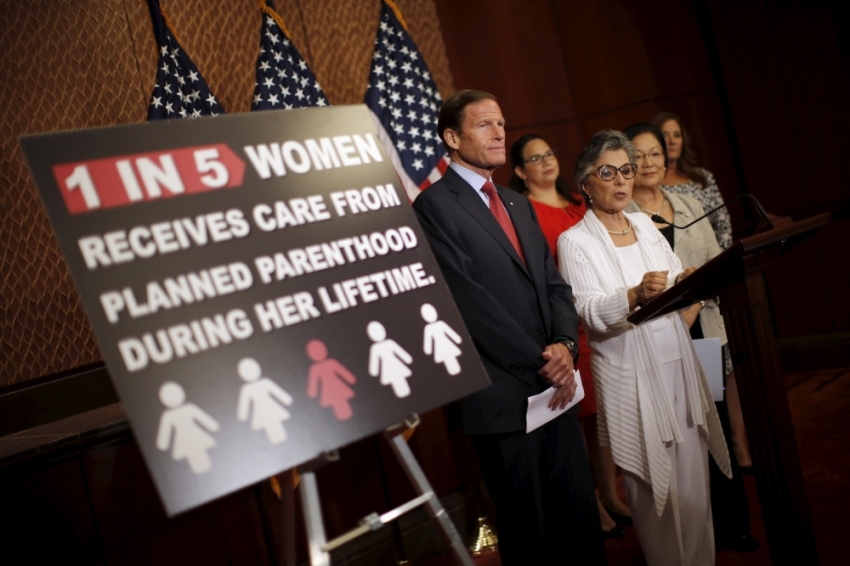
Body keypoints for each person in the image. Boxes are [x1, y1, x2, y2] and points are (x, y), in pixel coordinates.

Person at [413, 90, 605, 565]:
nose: (499, 133)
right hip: (502, 394)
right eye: (484, 125)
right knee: (531, 530)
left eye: (501, 123)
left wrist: (563, 344)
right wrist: (543, 362)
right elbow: (466, 301)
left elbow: (555, 285)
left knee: (579, 519)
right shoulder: (433, 206)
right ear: (451, 138)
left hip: (556, 389)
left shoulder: (518, 204)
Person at [557, 129, 731, 565]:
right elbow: (588, 310)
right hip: (632, 374)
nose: (620, 181)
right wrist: (634, 294)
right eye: (608, 172)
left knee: (694, 488)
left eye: (627, 171)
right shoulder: (574, 241)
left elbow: (671, 276)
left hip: (679, 364)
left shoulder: (644, 224)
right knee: (657, 489)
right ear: (585, 183)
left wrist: (686, 280)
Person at [623, 123, 759, 552]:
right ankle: (688, 532)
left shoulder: (686, 205)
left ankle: (732, 526)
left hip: (700, 334)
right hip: (656, 341)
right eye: (639, 156)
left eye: (656, 155)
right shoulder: (623, 220)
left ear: (667, 160)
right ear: (627, 164)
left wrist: (693, 308)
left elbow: (713, 265)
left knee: (712, 423)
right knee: (677, 431)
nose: (649, 163)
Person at [509, 134, 630, 538]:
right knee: (576, 415)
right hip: (564, 323)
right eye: (534, 157)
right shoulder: (524, 211)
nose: (546, 161)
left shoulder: (583, 205)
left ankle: (610, 492)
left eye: (549, 153)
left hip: (604, 318)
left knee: (604, 415)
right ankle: (589, 501)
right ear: (521, 171)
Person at [651, 111, 752, 468]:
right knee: (689, 409)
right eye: (664, 137)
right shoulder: (637, 207)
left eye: (677, 134)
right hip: (671, 309)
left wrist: (716, 275)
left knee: (718, 388)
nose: (671, 142)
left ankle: (735, 446)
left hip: (709, 298)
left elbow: (721, 231)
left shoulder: (699, 182)